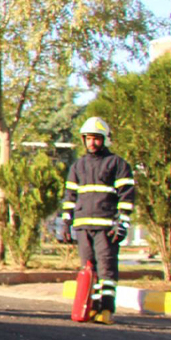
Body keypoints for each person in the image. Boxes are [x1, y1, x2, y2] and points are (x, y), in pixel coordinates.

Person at [60, 116, 134, 325]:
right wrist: (66, 223)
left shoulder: (117, 164)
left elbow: (127, 196)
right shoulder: (78, 166)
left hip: (106, 227)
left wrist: (122, 223)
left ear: (105, 139)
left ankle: (106, 310)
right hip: (83, 226)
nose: (92, 142)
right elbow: (70, 196)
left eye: (96, 138)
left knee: (106, 269)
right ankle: (90, 308)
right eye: (89, 138)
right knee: (88, 269)